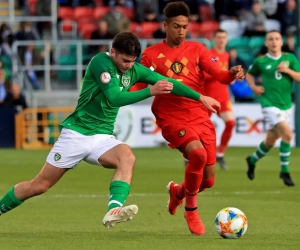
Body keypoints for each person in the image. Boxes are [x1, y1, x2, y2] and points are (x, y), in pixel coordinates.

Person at [0, 32, 220, 228]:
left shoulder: (134, 69)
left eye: (132, 61)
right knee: (40, 185)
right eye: (125, 60)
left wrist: (200, 97)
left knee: (127, 157)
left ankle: (113, 210)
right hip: (77, 133)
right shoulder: (100, 63)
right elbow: (115, 98)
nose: (128, 66)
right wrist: (150, 92)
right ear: (113, 52)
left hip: (102, 137)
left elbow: (170, 83)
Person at [129, 2, 244, 235]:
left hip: (199, 116)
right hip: (171, 117)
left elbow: (220, 76)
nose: (181, 31)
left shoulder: (198, 49)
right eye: (176, 26)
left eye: (184, 26)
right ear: (165, 26)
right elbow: (137, 86)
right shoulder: (151, 55)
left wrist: (231, 74)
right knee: (197, 154)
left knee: (208, 181)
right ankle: (191, 210)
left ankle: (178, 192)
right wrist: (116, 94)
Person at [246, 30, 300, 187]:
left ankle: (252, 160)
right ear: (266, 43)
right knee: (288, 134)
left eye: (277, 39)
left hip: (286, 105)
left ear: (281, 42)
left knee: (271, 140)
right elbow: (249, 74)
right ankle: (285, 171)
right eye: (271, 39)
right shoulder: (260, 61)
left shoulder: (290, 58)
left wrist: (288, 71)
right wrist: (254, 87)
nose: (274, 41)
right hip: (269, 104)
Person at [204, 29, 235, 170]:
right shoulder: (208, 54)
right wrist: (222, 74)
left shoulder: (226, 55)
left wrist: (230, 78)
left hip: (223, 96)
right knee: (199, 129)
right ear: (213, 39)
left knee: (231, 123)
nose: (221, 40)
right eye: (219, 37)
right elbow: (203, 75)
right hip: (208, 97)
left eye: (224, 37)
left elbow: (225, 76)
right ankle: (190, 156)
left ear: (227, 40)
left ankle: (221, 154)